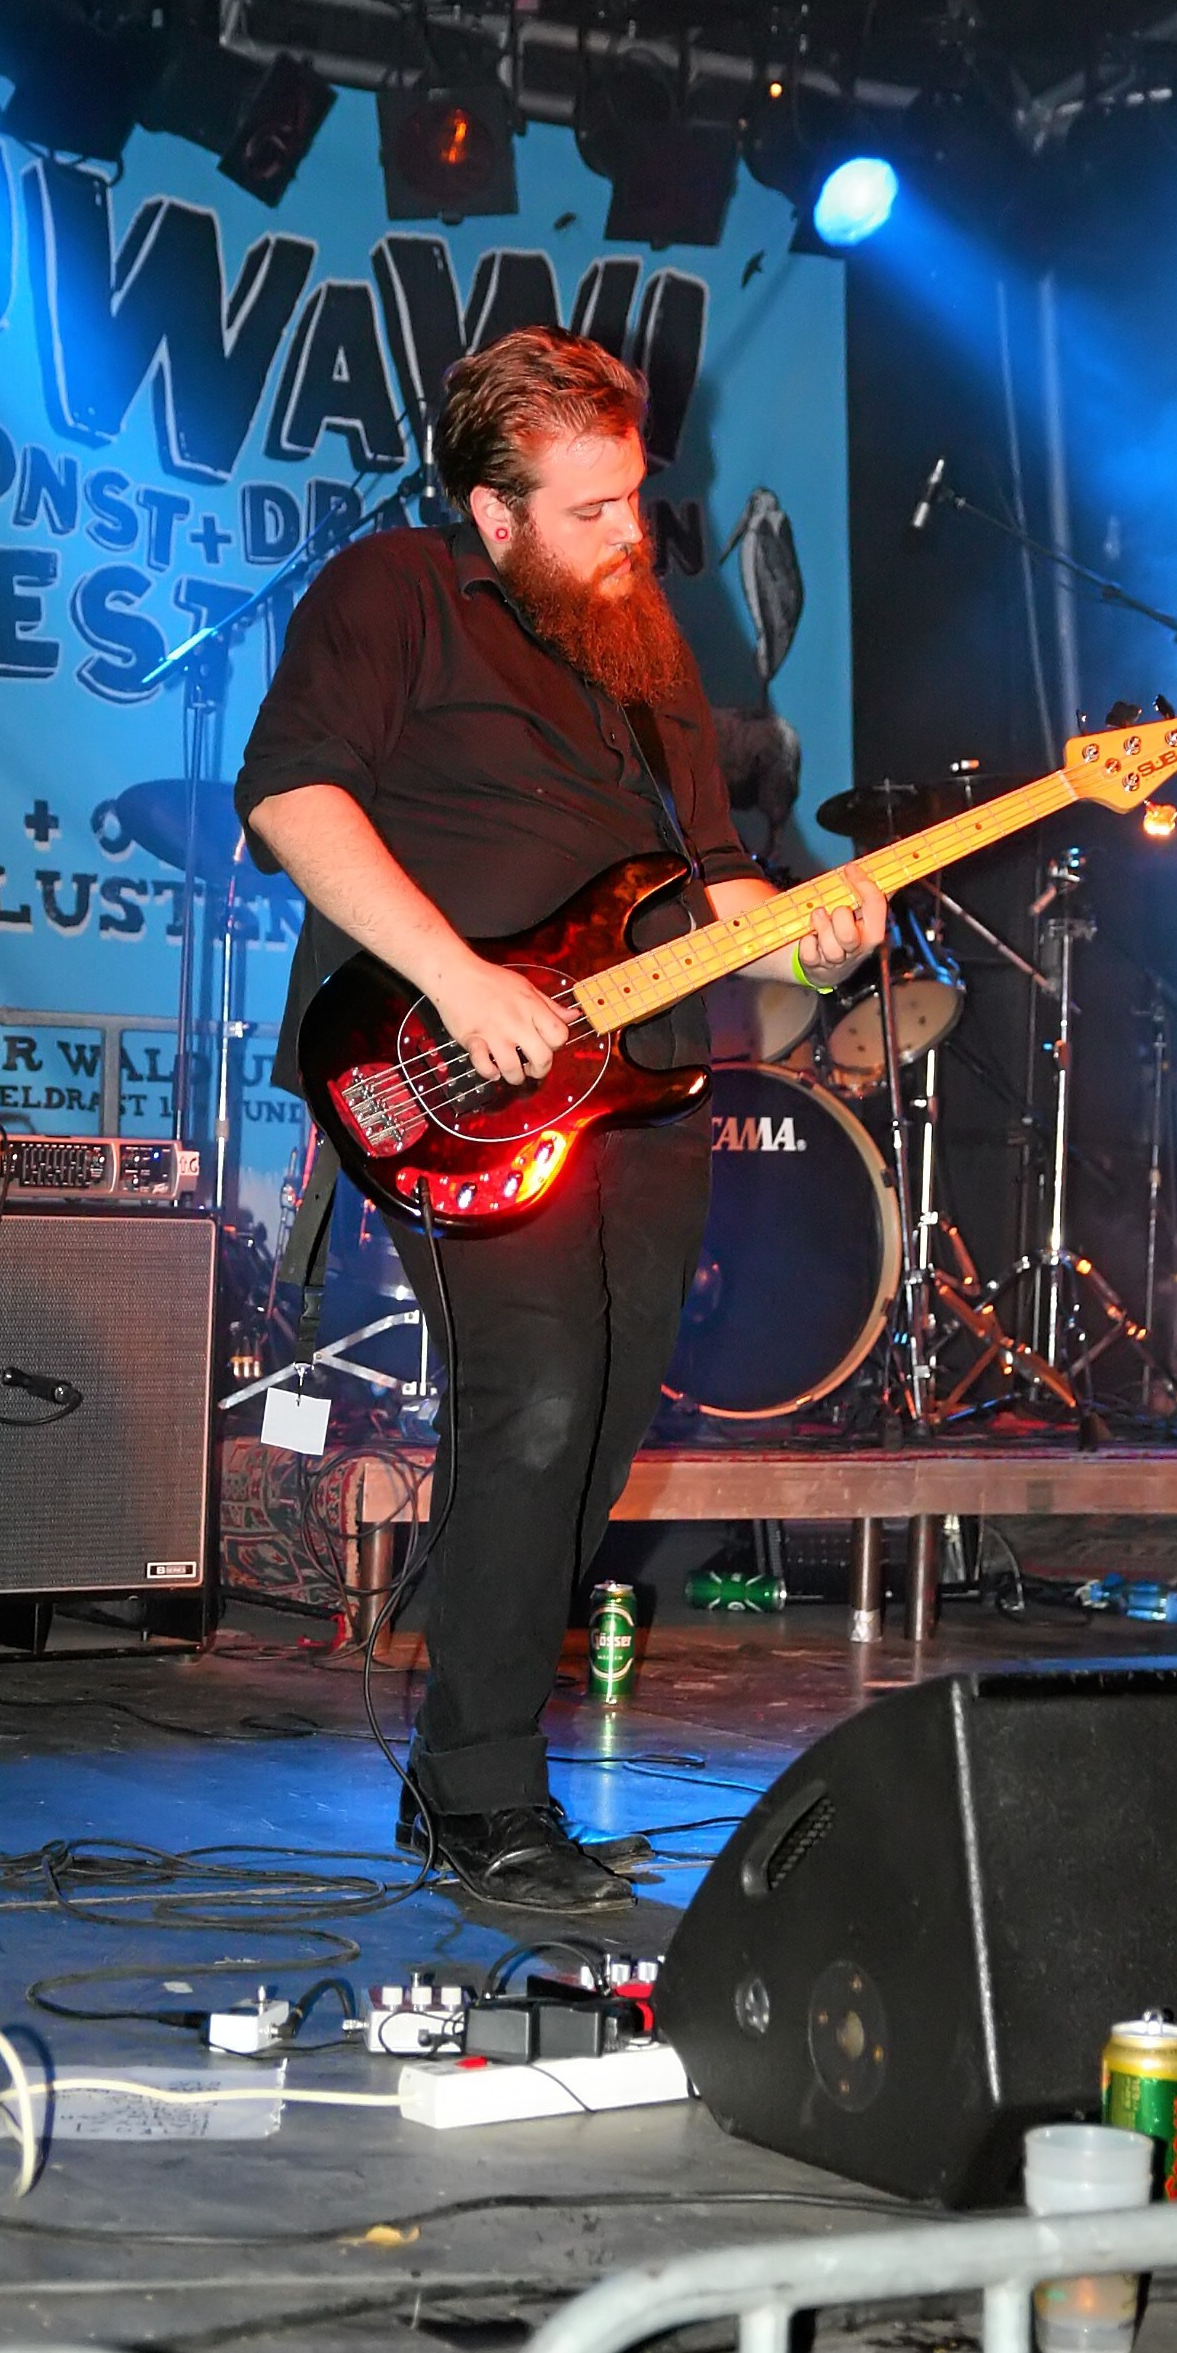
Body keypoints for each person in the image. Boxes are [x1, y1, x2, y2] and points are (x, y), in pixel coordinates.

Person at [236, 325, 885, 1912]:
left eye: (636, 498)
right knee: (528, 1400)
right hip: (446, 1075)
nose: (630, 534)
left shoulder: (645, 639)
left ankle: (464, 1770)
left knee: (597, 1422)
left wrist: (809, 927)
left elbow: (711, 881)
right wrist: (459, 981)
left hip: (641, 1075)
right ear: (493, 510)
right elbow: (293, 798)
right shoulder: (395, 592)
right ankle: (480, 1793)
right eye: (591, 509)